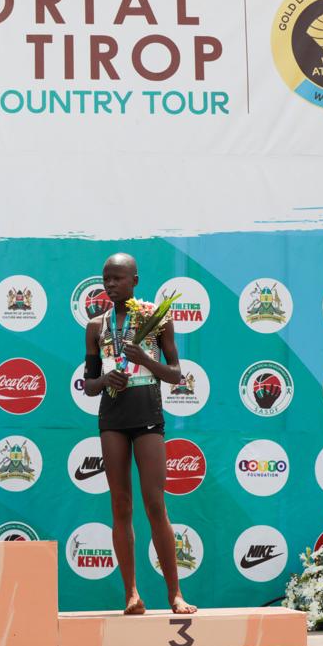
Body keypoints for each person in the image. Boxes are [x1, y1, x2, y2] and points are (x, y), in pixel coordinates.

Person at [82, 253, 196, 615]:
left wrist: (145, 360)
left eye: (118, 278)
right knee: (121, 505)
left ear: (135, 281)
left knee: (155, 504)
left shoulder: (156, 319)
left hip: (147, 416)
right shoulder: (95, 325)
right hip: (112, 419)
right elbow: (88, 385)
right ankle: (131, 593)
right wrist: (106, 379)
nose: (110, 284)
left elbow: (176, 374)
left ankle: (175, 594)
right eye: (106, 278)